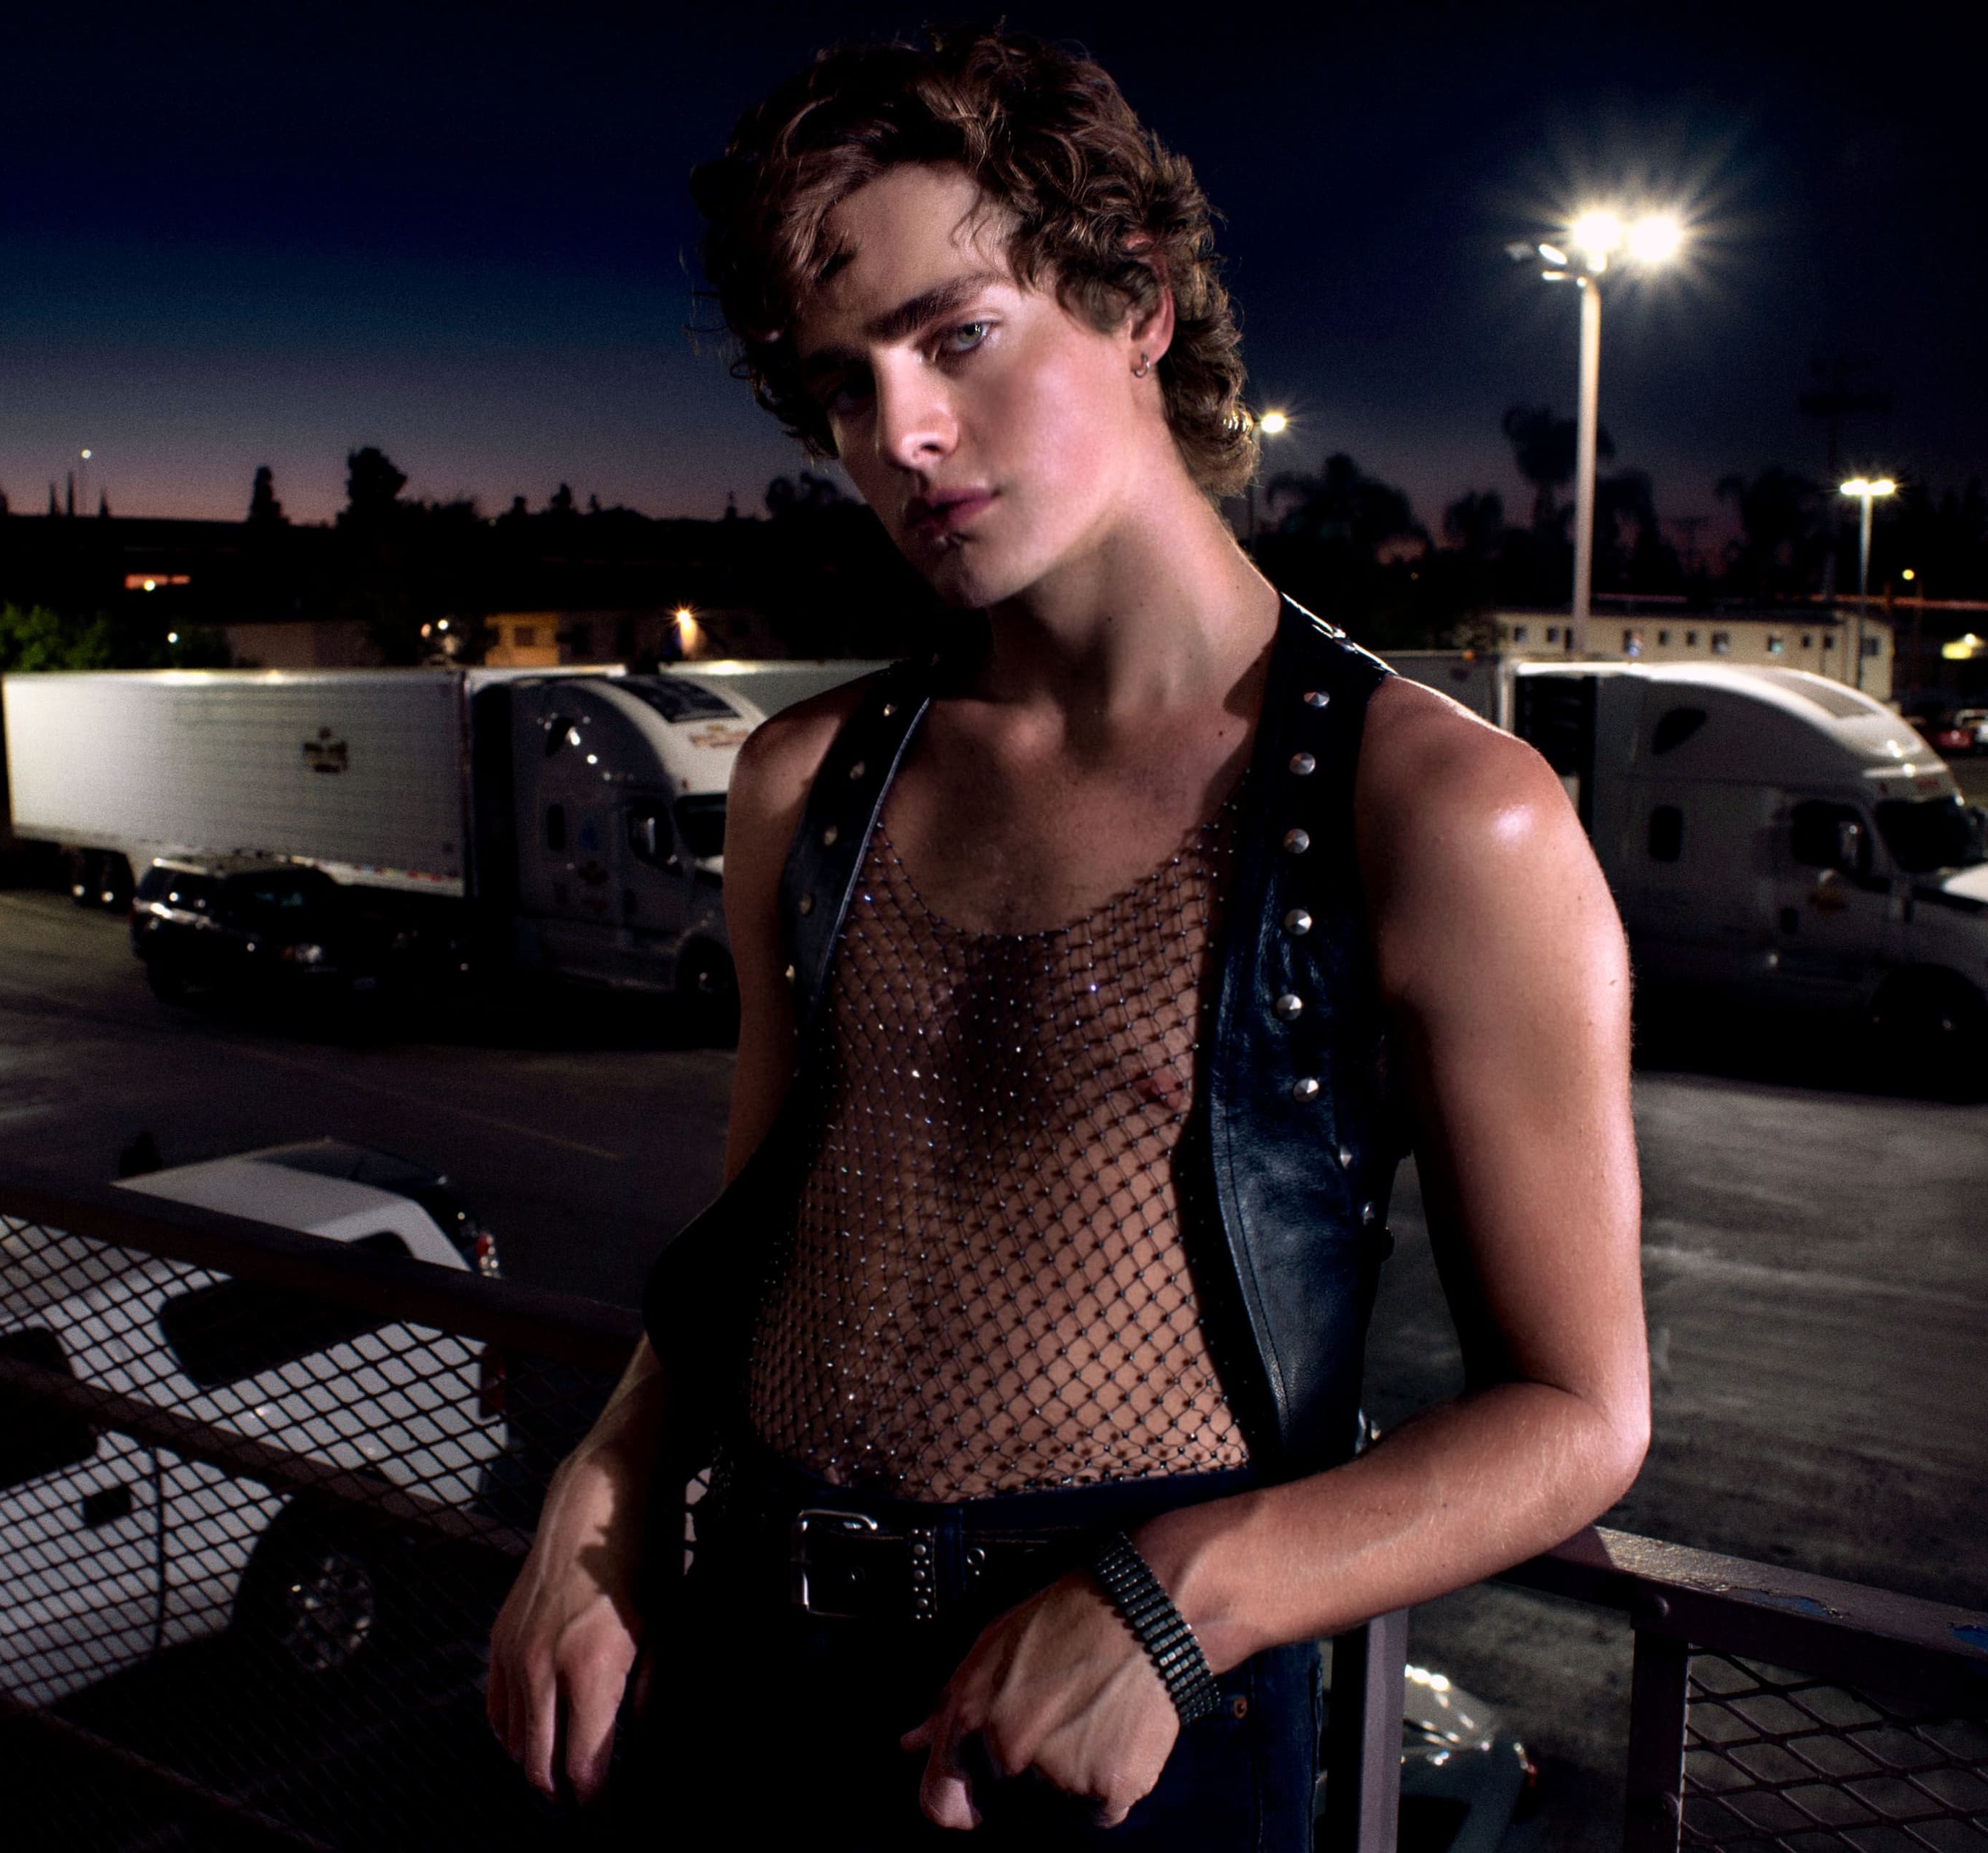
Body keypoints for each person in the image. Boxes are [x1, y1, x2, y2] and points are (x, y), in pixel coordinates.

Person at [487, 28, 1646, 1846]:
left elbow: (1579, 1412)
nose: (901, 438)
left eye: (956, 337)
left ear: (1137, 304)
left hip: (1117, 1726)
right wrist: (622, 1467)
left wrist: (1193, 1593)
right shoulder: (814, 779)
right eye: (842, 387)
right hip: (754, 1670)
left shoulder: (1435, 808)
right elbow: (761, 1238)